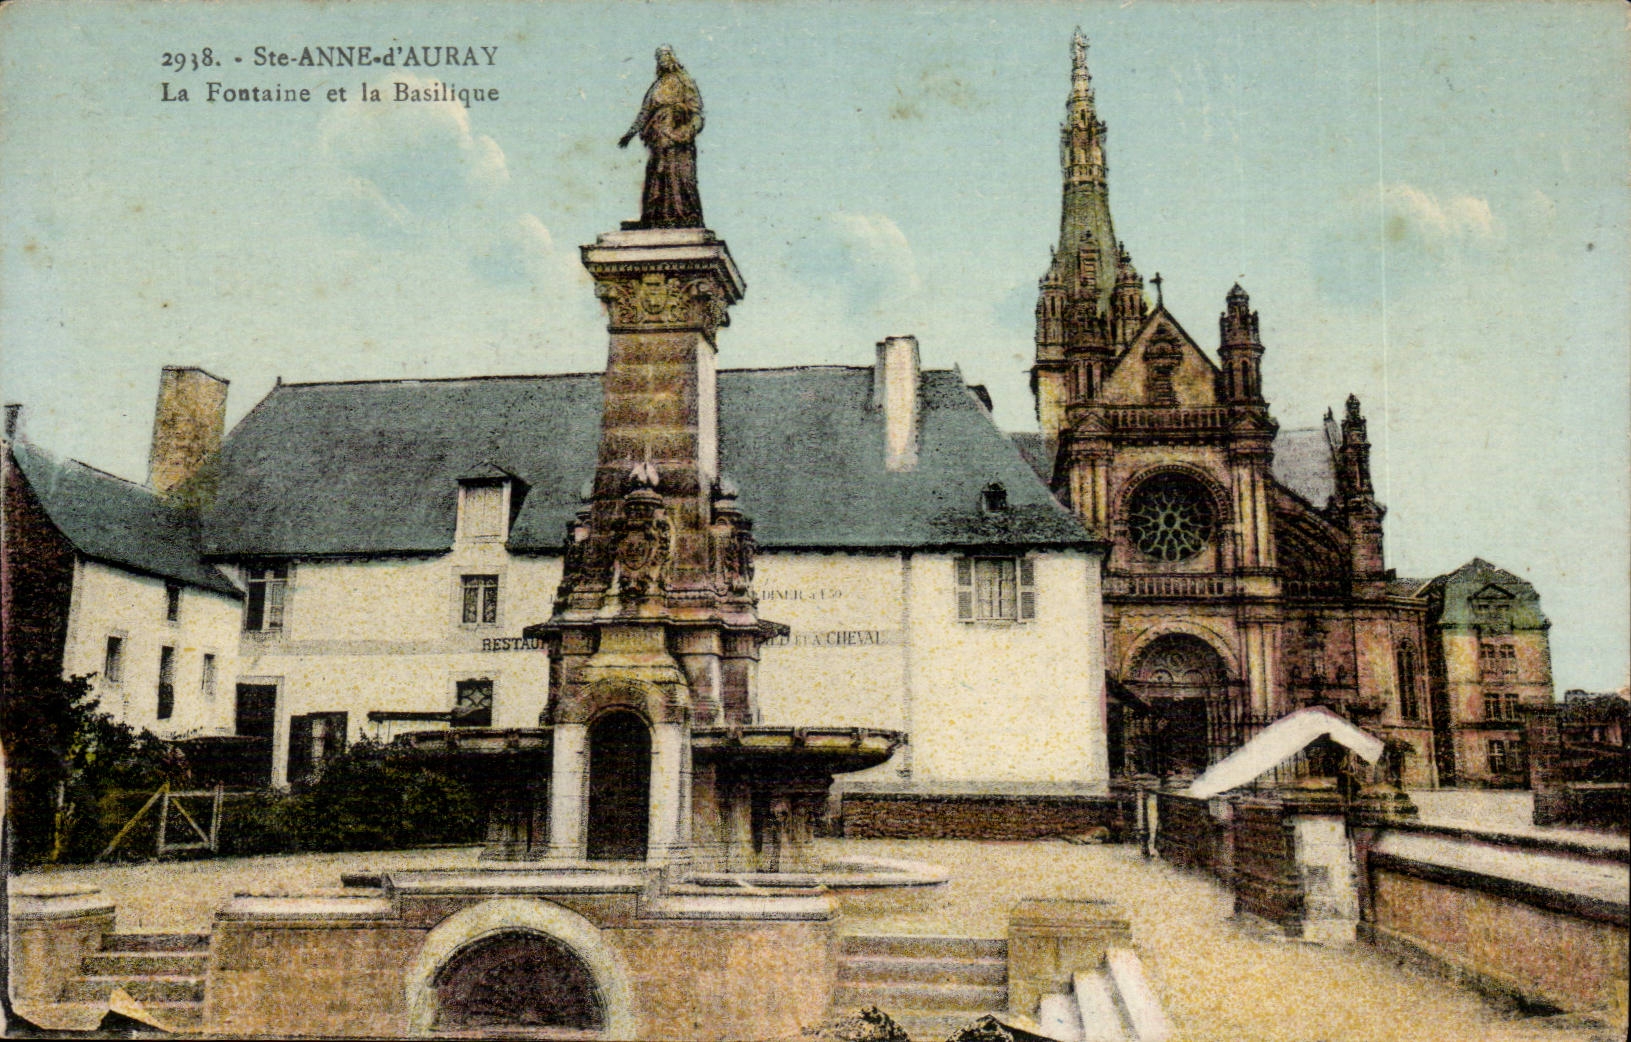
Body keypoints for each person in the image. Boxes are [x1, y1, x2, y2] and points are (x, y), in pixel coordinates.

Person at [618, 46, 704, 227]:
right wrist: (630, 134)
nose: (662, 60)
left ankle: (682, 217)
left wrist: (686, 132)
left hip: (678, 137)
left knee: (678, 177)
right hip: (657, 137)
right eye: (659, 58)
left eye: (665, 56)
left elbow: (697, 113)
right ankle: (656, 219)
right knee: (657, 177)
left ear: (672, 58)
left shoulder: (684, 81)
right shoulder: (655, 87)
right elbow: (644, 113)